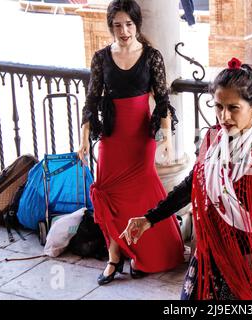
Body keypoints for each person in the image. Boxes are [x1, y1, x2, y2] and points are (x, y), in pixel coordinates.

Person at [120, 57, 252, 300]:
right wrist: (150, 218)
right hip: (210, 253)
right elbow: (192, 184)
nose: (224, 116)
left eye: (233, 108)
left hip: (248, 260)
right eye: (218, 106)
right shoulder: (212, 139)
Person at [78, 0, 184, 286]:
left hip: (141, 137)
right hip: (112, 136)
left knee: (140, 196)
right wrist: (84, 139)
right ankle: (115, 257)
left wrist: (168, 141)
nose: (123, 31)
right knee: (108, 193)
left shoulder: (152, 56)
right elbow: (90, 101)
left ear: (137, 24)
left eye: (128, 24)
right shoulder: (101, 58)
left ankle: (142, 254)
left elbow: (162, 102)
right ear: (110, 27)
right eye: (117, 25)